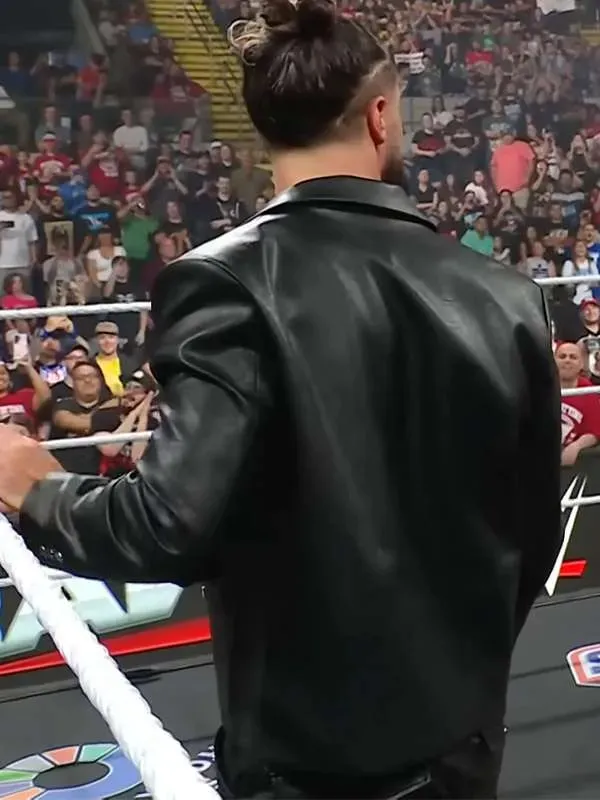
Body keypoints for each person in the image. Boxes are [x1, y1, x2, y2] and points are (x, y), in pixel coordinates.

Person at [0, 1, 561, 798]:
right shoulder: (506, 294)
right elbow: (533, 534)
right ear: (380, 117)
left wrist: (36, 488)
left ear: (266, 130)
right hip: (460, 745)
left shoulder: (220, 282)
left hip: (305, 761)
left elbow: (167, 523)